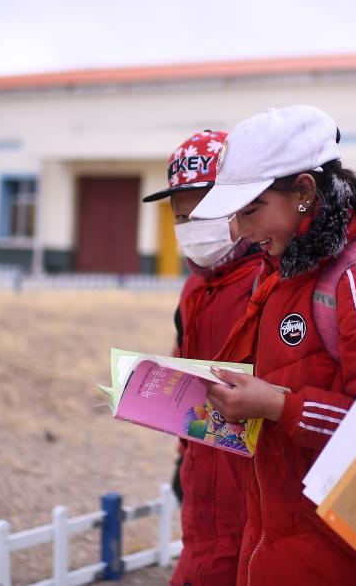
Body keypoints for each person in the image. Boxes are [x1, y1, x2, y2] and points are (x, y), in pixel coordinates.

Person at [190, 105, 356, 585]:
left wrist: (279, 406)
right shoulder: (280, 275)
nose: (239, 231)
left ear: (304, 193)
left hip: (344, 558)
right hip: (278, 543)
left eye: (251, 210)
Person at [141, 129, 264, 586]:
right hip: (203, 489)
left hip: (255, 496)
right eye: (181, 216)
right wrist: (183, 454)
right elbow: (188, 374)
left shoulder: (271, 280)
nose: (192, 226)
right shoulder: (195, 286)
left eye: (203, 213)